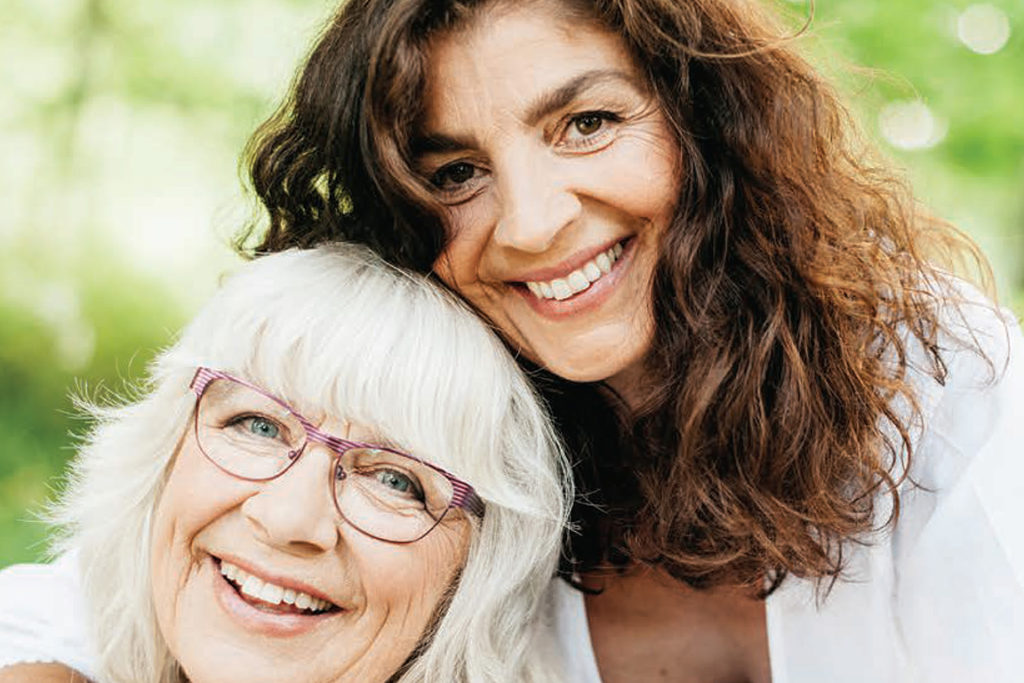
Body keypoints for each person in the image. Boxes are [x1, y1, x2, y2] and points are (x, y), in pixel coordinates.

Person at [8, 0, 1024, 680]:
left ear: (704, 120)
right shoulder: (448, 413)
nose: (533, 222)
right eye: (454, 173)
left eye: (585, 123)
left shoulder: (939, 387)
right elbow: (126, 583)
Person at [0, 244, 571, 682]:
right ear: (163, 456)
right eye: (258, 425)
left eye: (396, 481)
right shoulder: (38, 633)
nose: (288, 518)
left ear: (481, 571)